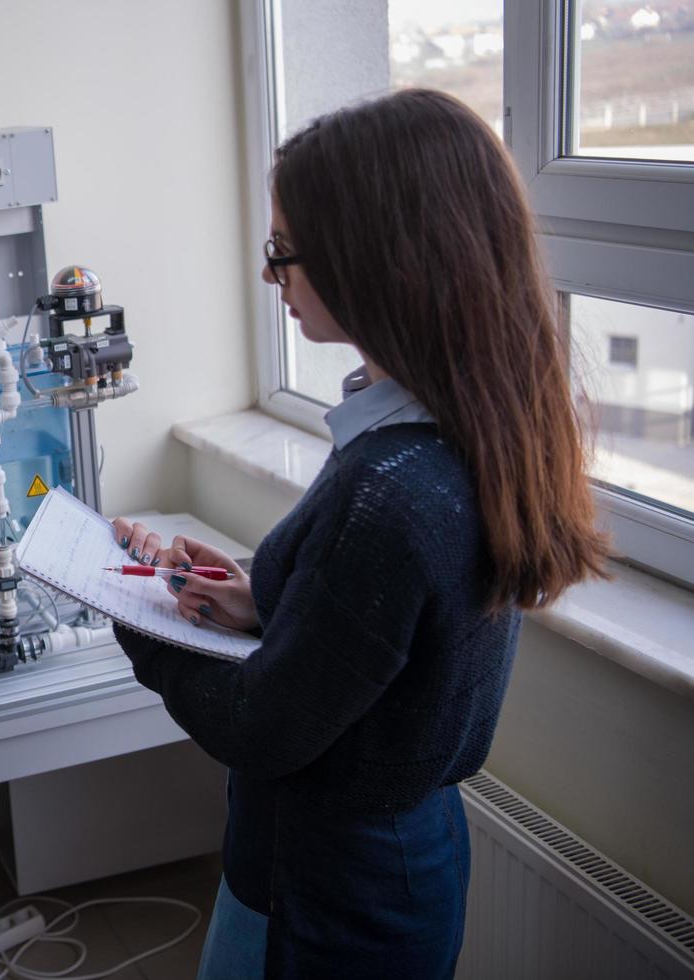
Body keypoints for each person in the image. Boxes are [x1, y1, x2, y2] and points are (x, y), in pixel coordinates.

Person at [112, 88, 609, 979]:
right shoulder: (460, 433)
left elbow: (261, 729)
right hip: (395, 854)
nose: (272, 278)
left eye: (282, 252)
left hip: (328, 891)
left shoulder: (392, 490)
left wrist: (131, 612)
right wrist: (266, 601)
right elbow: (379, 651)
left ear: (375, 260)